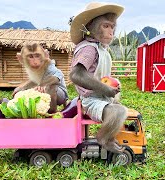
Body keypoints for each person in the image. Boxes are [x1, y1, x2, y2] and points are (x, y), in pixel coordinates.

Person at [69, 2, 127, 153]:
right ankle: (104, 139)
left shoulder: (100, 48)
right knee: (119, 112)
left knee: (119, 106)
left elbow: (100, 76)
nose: (110, 32)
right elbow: (76, 74)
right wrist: (105, 89)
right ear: (90, 26)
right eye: (105, 26)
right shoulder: (89, 48)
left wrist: (112, 87)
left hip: (100, 97)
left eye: (112, 27)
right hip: (90, 100)